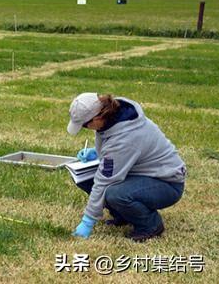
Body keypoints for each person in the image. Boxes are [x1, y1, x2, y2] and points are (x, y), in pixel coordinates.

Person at [67, 93, 186, 242]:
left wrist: (88, 221)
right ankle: (124, 215)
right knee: (86, 177)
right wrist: (97, 154)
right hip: (141, 174)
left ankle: (150, 225)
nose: (86, 128)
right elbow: (117, 152)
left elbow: (105, 179)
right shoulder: (112, 117)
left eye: (85, 125)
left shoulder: (125, 138)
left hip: (167, 183)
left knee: (115, 193)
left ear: (97, 118)